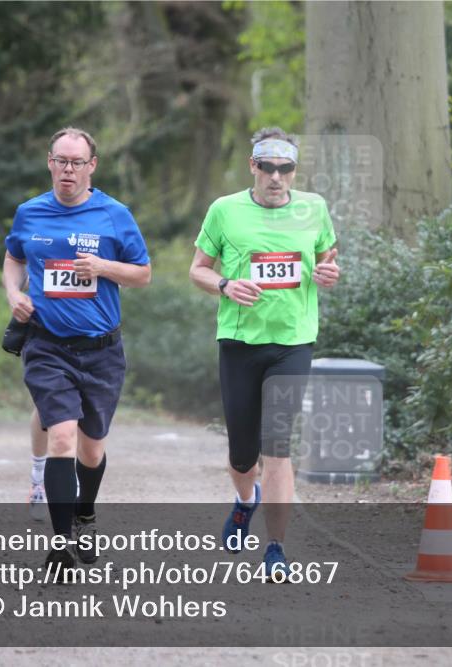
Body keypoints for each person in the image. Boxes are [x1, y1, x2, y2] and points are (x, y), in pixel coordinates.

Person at [189, 127, 339, 580]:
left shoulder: (314, 207)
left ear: (294, 169)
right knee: (242, 455)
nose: (276, 177)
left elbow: (328, 257)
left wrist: (329, 271)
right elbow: (198, 269)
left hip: (293, 342)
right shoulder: (225, 210)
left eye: (285, 168)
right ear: (252, 166)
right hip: (239, 343)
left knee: (277, 444)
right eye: (268, 167)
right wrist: (224, 284)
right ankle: (244, 500)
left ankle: (276, 547)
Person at [3, 127, 150, 576]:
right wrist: (13, 293)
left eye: (76, 162)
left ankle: (85, 513)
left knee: (91, 448)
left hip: (102, 350)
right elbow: (14, 257)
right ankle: (61, 543)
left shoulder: (114, 215)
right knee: (62, 437)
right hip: (47, 345)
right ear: (49, 162)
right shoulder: (30, 212)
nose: (67, 170)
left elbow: (143, 274)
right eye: (60, 161)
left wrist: (103, 267)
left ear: (92, 166)